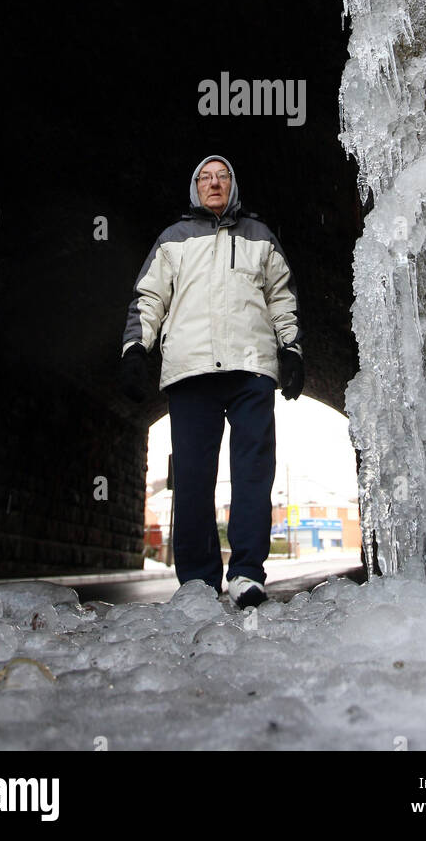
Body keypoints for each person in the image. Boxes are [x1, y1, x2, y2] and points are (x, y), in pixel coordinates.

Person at [118, 154, 304, 609]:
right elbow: (149, 298)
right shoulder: (172, 241)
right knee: (194, 479)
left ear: (233, 185)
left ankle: (246, 573)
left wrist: (292, 349)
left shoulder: (260, 238)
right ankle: (198, 581)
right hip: (191, 370)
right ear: (195, 188)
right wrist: (134, 350)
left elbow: (282, 298)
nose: (214, 184)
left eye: (222, 177)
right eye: (205, 178)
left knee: (253, 474)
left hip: (251, 370)